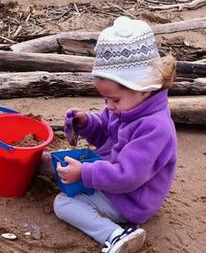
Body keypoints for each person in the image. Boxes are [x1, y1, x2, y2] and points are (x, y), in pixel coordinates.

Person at [44, 16, 177, 253]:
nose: (109, 105)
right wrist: (86, 122)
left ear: (144, 89)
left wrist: (85, 173)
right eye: (105, 98)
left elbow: (128, 176)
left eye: (114, 99)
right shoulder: (127, 106)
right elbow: (105, 128)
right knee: (56, 164)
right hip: (111, 178)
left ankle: (117, 234)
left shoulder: (154, 128)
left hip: (130, 200)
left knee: (62, 203)